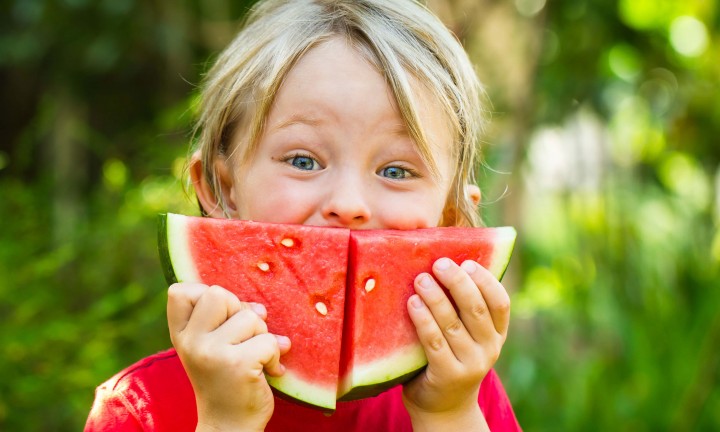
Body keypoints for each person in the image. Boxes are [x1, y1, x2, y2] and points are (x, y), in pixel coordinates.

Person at [85, 0, 521, 430]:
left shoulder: (466, 397)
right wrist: (224, 422)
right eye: (303, 161)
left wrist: (447, 415)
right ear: (223, 188)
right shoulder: (140, 410)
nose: (349, 204)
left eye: (396, 170)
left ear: (449, 217)